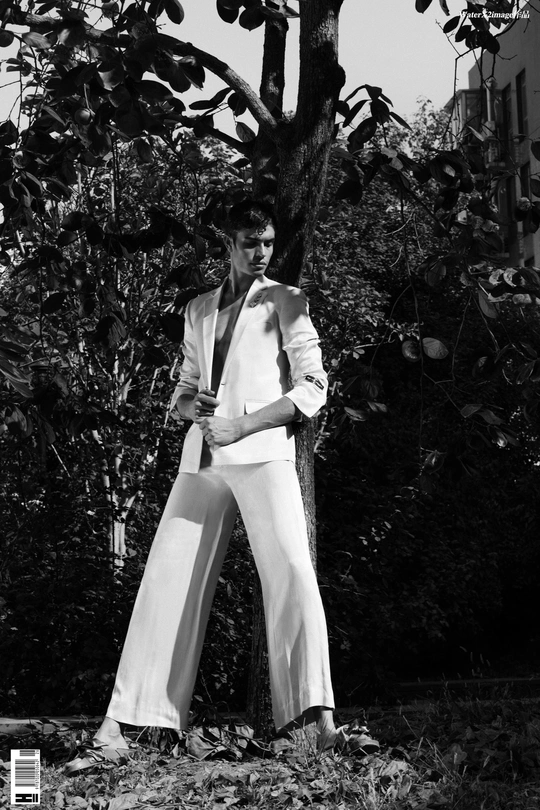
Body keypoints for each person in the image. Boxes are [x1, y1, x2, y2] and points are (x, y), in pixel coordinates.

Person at [66, 200, 336, 774]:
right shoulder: (198, 309)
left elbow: (313, 386)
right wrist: (196, 406)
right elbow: (183, 391)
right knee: (165, 580)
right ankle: (124, 723)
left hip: (262, 455)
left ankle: (318, 722)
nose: (260, 252)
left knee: (292, 571)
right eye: (249, 242)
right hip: (203, 460)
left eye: (267, 242)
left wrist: (244, 423)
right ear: (228, 242)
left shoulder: (287, 302)